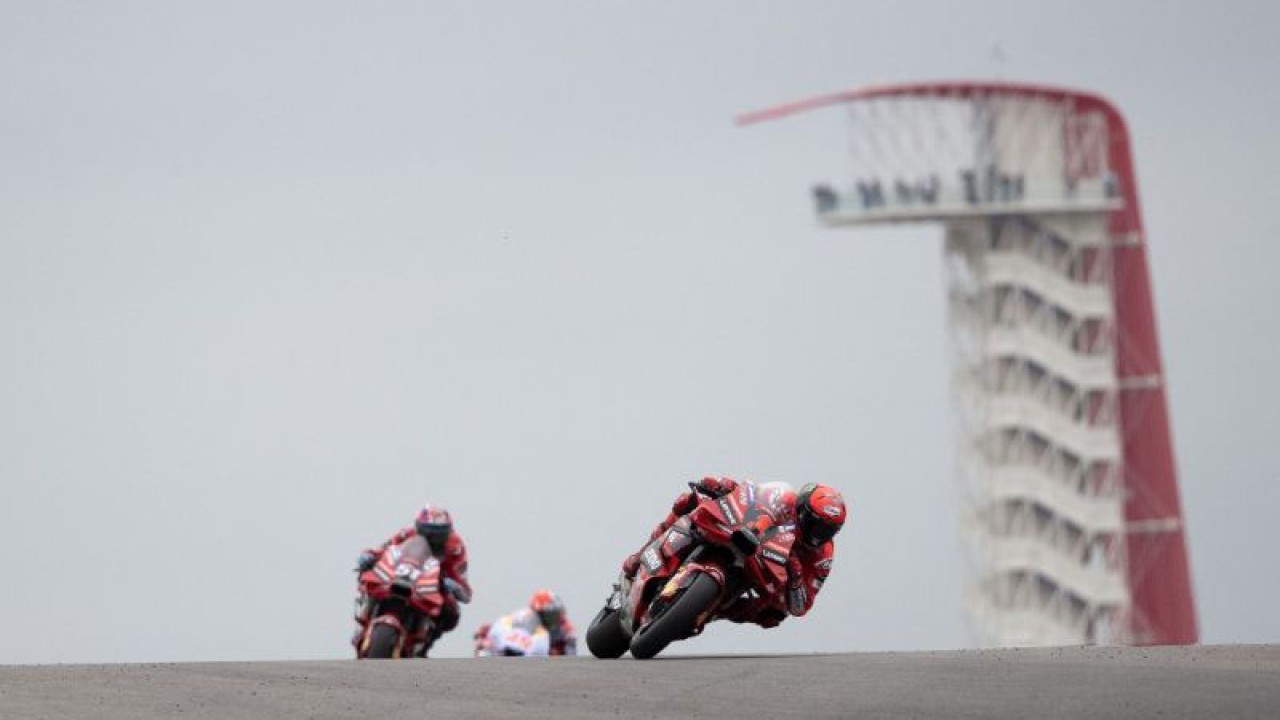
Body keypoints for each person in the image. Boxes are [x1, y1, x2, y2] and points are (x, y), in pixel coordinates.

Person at [621, 477, 846, 629]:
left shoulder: (822, 556)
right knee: (690, 499)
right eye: (814, 525)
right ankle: (641, 554)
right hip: (745, 534)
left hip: (766, 571)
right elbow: (752, 495)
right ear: (801, 509)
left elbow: (800, 607)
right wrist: (724, 484)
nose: (817, 535)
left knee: (773, 615)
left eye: (827, 530)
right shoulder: (785, 499)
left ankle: (711, 611)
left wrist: (796, 578)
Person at [354, 504, 472, 656]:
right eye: (426, 532)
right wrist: (369, 556)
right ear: (418, 528)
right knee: (368, 576)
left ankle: (424, 642)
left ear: (447, 532)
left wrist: (454, 586)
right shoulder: (406, 534)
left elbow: (464, 586)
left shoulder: (455, 547)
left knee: (452, 610)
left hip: (431, 584)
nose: (431, 538)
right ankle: (363, 622)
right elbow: (384, 549)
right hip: (403, 575)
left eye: (437, 534)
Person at [473, 589, 577, 657]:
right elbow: (510, 622)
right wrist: (486, 632)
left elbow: (569, 660)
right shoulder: (526, 618)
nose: (554, 619)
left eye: (555, 615)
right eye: (551, 616)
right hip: (521, 645)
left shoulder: (565, 630)